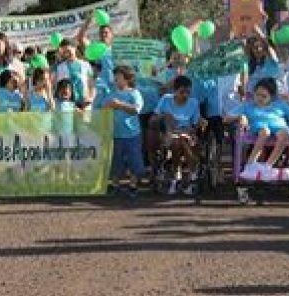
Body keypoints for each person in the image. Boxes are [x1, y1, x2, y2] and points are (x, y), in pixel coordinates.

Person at [226, 77, 289, 181]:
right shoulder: (248, 105)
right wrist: (240, 117)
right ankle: (250, 165)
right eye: (257, 95)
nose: (259, 98)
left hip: (278, 126)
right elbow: (227, 118)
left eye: (264, 96)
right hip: (259, 126)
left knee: (284, 133)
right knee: (265, 132)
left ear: (272, 97)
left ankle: (267, 167)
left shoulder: (280, 104)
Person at [154, 75, 203, 196]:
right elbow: (153, 119)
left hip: (187, 133)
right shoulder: (166, 100)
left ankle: (179, 175)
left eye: (188, 92)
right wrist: (164, 116)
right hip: (170, 134)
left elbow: (196, 123)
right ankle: (189, 173)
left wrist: (201, 123)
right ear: (175, 91)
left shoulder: (193, 103)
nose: (185, 95)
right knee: (177, 141)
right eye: (182, 92)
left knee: (182, 140)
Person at [101, 65, 144, 199]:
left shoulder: (134, 93)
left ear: (127, 79)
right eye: (115, 77)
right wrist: (108, 106)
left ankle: (133, 186)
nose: (115, 80)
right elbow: (103, 109)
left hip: (132, 134)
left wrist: (119, 105)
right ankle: (115, 185)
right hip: (115, 134)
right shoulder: (111, 94)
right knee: (116, 161)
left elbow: (136, 109)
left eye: (118, 77)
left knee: (134, 161)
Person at [53, 39, 94, 110]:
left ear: (74, 48)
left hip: (85, 104)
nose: (67, 54)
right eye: (64, 52)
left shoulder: (86, 65)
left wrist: (91, 98)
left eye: (68, 51)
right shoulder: (60, 68)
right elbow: (58, 88)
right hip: (69, 106)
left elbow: (92, 84)